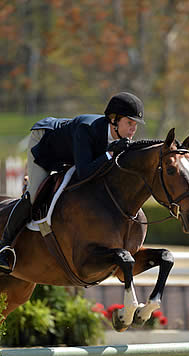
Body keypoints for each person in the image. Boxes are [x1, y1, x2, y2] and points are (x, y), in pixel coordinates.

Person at [0, 92, 145, 273]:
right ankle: (4, 247)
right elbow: (84, 172)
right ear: (114, 120)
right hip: (45, 145)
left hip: (71, 154)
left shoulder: (120, 139)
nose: (133, 129)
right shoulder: (86, 128)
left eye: (135, 125)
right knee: (34, 196)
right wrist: (109, 155)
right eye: (129, 123)